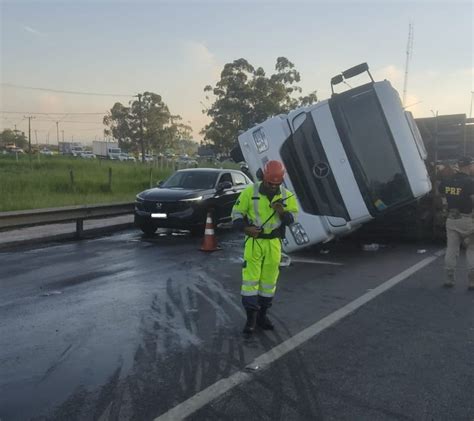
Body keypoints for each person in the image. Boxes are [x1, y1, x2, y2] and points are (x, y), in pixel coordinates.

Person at [231, 160, 299, 334]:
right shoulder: (249, 192)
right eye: (270, 183)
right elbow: (236, 215)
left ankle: (263, 316)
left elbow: (292, 220)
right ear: (264, 177)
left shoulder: (286, 195)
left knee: (269, 282)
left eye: (277, 184)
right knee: (250, 281)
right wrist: (246, 228)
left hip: (274, 243)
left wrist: (282, 212)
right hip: (254, 242)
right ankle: (251, 319)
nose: (273, 187)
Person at [438, 156, 474, 290]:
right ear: (468, 166)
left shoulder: (447, 181)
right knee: (472, 249)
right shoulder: (470, 182)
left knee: (452, 249)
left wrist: (447, 204)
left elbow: (441, 192)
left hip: (452, 219)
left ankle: (449, 278)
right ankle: (472, 281)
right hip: (468, 219)